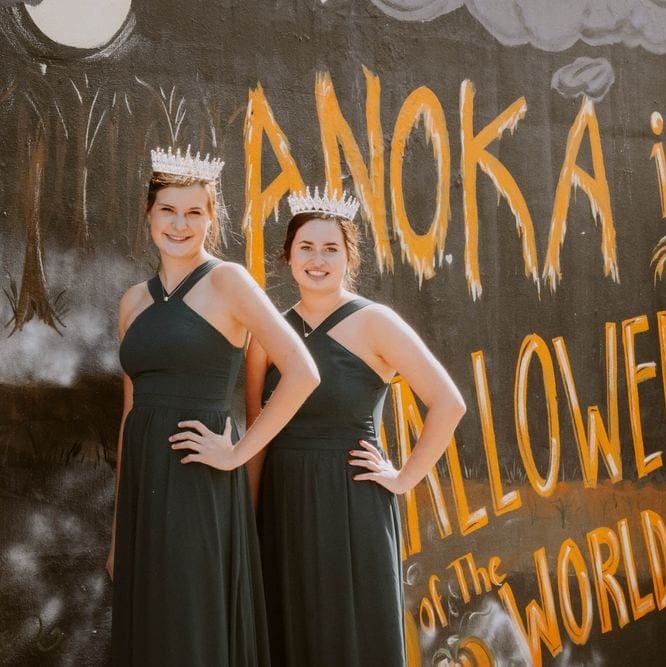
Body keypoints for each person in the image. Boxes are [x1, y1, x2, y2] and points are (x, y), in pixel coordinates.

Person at [236, 185, 466, 666]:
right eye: (306, 248)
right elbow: (256, 430)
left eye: (330, 249)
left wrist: (403, 478)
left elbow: (448, 404)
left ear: (348, 256)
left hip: (352, 503)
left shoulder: (376, 322)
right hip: (283, 502)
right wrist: (250, 519)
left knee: (353, 637)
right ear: (288, 256)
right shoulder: (268, 332)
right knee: (288, 632)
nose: (317, 260)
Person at [110, 147, 320, 666]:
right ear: (149, 215)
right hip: (144, 489)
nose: (180, 224)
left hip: (199, 482)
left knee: (192, 625)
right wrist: (118, 531)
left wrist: (236, 453)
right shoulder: (133, 301)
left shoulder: (228, 281)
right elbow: (129, 412)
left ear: (212, 217)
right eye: (168, 211)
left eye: (195, 212)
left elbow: (302, 372)